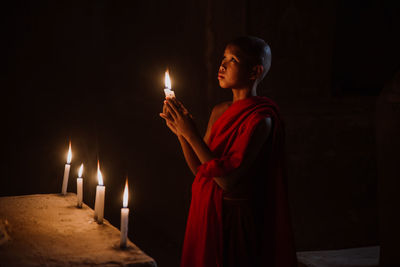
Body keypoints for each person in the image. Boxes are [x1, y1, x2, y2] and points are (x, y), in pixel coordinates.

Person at [159, 36, 297, 267]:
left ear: (254, 72)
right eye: (223, 57)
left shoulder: (261, 120)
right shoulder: (219, 110)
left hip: (236, 220)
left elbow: (227, 181)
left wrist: (192, 134)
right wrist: (181, 134)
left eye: (232, 60)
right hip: (207, 212)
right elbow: (202, 171)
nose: (222, 65)